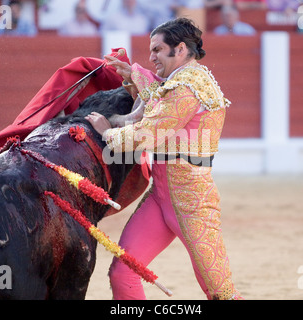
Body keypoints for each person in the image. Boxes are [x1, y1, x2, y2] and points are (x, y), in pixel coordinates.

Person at [86, 18, 243, 300]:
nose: (152, 56)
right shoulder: (183, 80)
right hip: (160, 197)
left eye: (158, 50)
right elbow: (160, 97)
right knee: (123, 273)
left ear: (180, 49)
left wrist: (108, 133)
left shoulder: (187, 88)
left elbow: (150, 132)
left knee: (220, 292)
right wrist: (135, 74)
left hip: (193, 202)